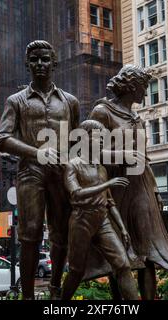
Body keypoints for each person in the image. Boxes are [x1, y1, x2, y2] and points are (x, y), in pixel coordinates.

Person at [88, 65, 168, 300]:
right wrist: (124, 156)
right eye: (144, 86)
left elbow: (145, 159)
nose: (145, 91)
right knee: (119, 254)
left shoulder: (137, 118)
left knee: (147, 251)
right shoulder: (103, 112)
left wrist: (155, 189)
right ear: (132, 86)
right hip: (116, 187)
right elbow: (89, 153)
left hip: (141, 185)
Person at [0, 40, 80, 299]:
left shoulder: (70, 101)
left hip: (61, 173)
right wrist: (37, 152)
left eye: (45, 59)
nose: (40, 64)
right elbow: (2, 138)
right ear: (27, 64)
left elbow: (77, 139)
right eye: (34, 59)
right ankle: (28, 295)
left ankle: (55, 287)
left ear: (54, 63)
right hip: (30, 172)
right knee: (30, 235)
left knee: (61, 233)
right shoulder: (16, 101)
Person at [61, 120, 138, 300]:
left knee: (123, 265)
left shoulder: (101, 168)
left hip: (103, 220)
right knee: (76, 271)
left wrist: (122, 228)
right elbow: (76, 193)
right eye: (98, 138)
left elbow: (110, 203)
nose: (102, 141)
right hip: (81, 220)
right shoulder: (73, 165)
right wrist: (108, 183)